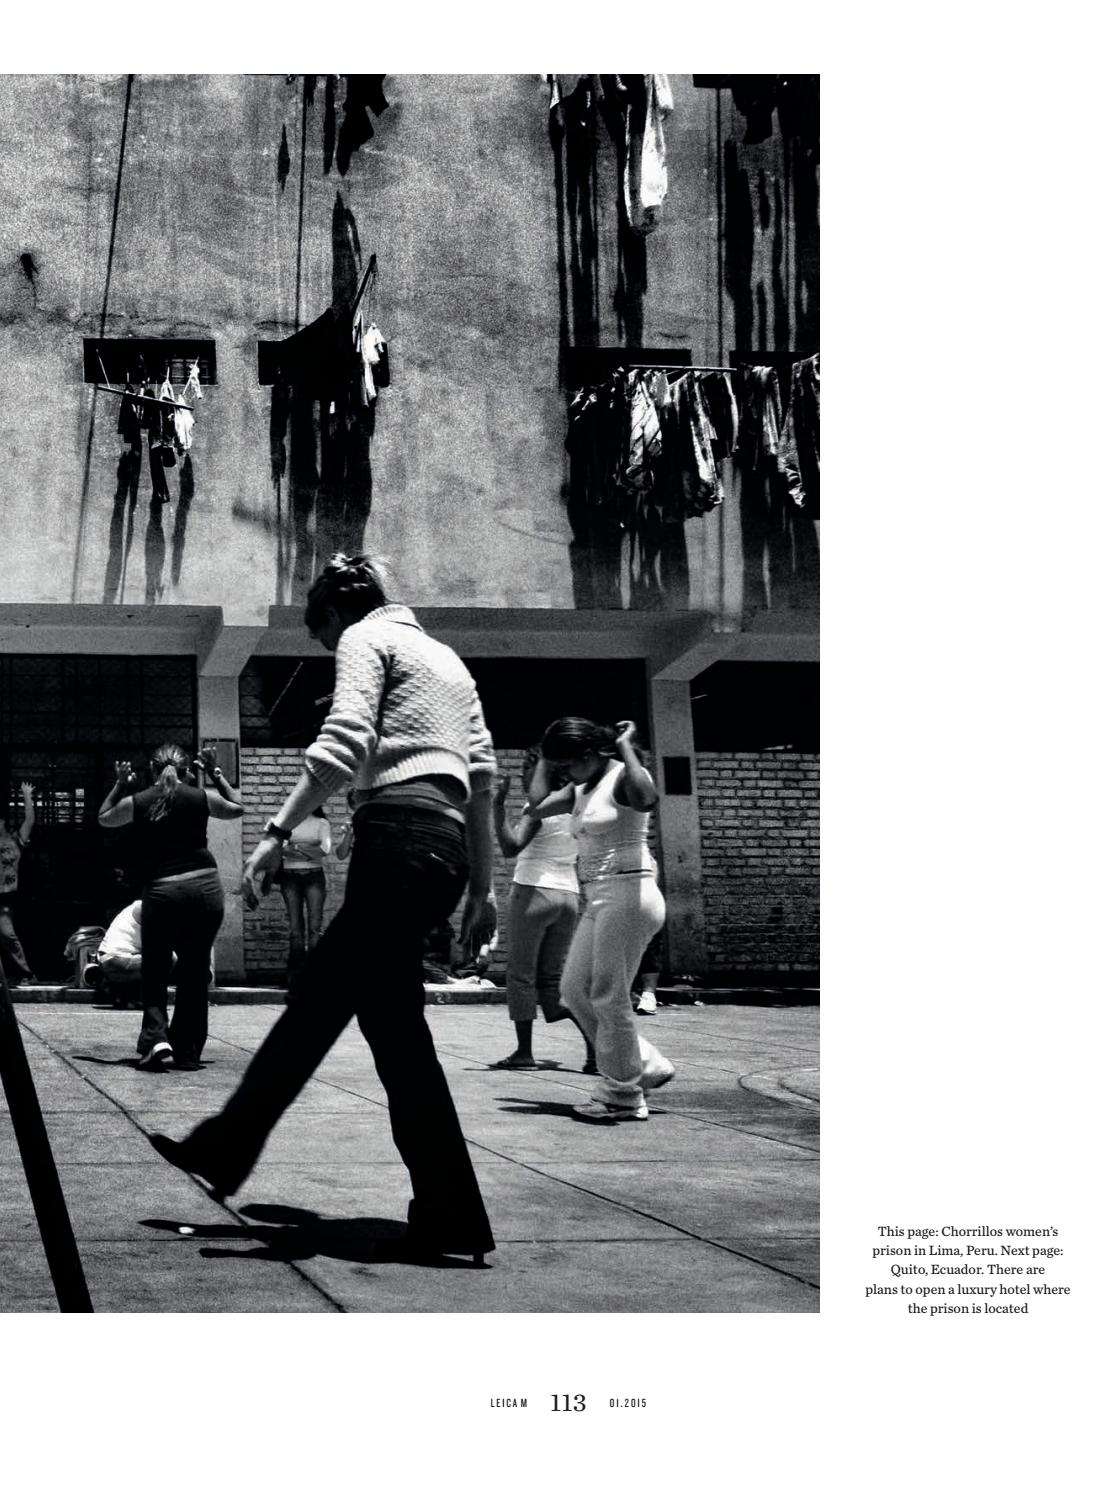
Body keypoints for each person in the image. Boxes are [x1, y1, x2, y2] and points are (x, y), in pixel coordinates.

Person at [147, 553, 498, 1265]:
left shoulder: (367, 636)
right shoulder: (449, 662)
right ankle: (449, 1211)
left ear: (336, 613)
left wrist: (274, 835)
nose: (329, 647)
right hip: (443, 850)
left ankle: (226, 1144)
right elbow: (484, 780)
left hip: (394, 840)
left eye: (323, 635)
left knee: (317, 1004)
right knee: (396, 1032)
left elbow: (344, 743)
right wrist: (483, 889)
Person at [528, 717, 675, 1122]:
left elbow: (647, 799)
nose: (565, 773)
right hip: (599, 898)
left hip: (630, 894)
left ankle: (622, 1094)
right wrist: (544, 759)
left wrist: (626, 746)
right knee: (574, 990)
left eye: (568, 764)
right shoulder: (580, 789)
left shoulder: (621, 777)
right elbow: (536, 806)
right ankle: (644, 1063)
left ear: (591, 754)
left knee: (609, 995)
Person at [98, 743, 243, 1070]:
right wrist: (215, 774)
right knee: (195, 970)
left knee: (155, 968)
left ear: (152, 769)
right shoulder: (200, 797)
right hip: (205, 889)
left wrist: (120, 784)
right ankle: (188, 1052)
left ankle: (156, 1039)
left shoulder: (140, 801)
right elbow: (237, 807)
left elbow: (104, 817)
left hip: (163, 892)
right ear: (185, 770)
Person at [490, 748, 593, 1071]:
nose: (522, 775)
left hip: (533, 891)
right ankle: (594, 1048)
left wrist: (497, 808)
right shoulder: (577, 805)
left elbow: (511, 847)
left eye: (526, 768)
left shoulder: (537, 808)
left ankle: (524, 1053)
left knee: (520, 975)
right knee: (551, 980)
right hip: (568, 896)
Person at [277, 805, 332, 995]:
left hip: (314, 876)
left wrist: (296, 847)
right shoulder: (288, 822)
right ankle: (294, 977)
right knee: (295, 930)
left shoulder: (321, 823)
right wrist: (309, 849)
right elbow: (281, 850)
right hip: (290, 878)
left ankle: (314, 976)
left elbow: (324, 849)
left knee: (315, 928)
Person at [0, 781, 36, 985]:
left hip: (6, 895)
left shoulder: (14, 841)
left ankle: (25, 973)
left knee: (6, 933)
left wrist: (27, 796)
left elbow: (29, 821)